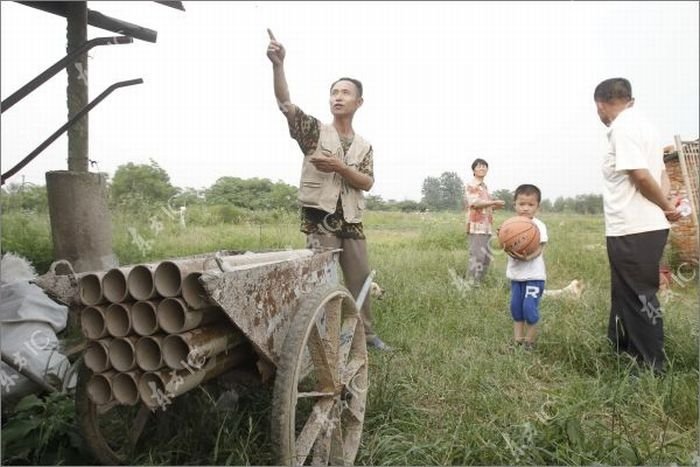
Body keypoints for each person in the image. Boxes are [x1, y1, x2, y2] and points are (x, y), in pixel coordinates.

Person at [266, 29, 391, 351]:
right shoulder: (313, 132)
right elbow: (285, 104)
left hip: (350, 218)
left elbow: (367, 183)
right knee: (319, 281)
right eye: (333, 92)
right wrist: (278, 65)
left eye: (345, 92)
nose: (337, 97)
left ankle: (367, 333)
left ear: (358, 101)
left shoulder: (364, 145)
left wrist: (340, 168)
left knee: (360, 277)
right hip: (320, 216)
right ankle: (320, 335)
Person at [594, 78, 681, 373]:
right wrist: (667, 200)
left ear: (601, 104)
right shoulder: (646, 127)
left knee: (640, 296)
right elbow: (661, 175)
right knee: (624, 292)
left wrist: (667, 207)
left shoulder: (622, 127)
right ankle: (619, 347)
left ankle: (650, 366)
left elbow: (642, 177)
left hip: (634, 227)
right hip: (639, 227)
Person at [504, 184, 548, 350]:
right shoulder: (510, 225)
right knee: (516, 309)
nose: (525, 208)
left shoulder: (538, 226)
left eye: (531, 205)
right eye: (521, 204)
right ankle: (517, 341)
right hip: (516, 276)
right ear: (514, 204)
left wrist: (526, 257)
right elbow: (505, 243)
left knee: (529, 309)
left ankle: (529, 343)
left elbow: (539, 248)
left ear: (538, 206)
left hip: (534, 277)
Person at [464, 158, 505, 283]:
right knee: (477, 257)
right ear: (474, 170)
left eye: (484, 166)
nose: (482, 168)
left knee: (486, 258)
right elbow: (475, 203)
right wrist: (493, 202)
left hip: (487, 227)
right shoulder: (472, 185)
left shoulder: (485, 187)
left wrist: (495, 206)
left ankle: (478, 284)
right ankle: (470, 285)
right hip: (476, 226)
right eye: (479, 166)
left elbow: (485, 207)